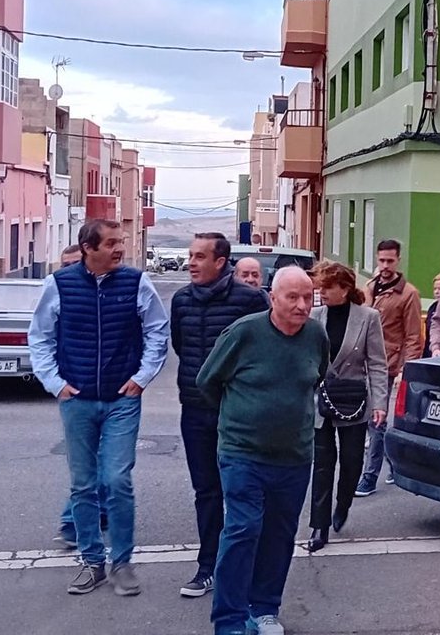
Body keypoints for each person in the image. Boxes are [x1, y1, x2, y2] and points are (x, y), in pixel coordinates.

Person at [29, 218, 170, 597]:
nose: (120, 249)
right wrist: (55, 383)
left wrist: (142, 377)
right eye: (111, 243)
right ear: (88, 248)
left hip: (122, 400)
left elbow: (157, 330)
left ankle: (122, 563)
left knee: (117, 481)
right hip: (76, 400)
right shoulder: (58, 285)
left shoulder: (137, 282)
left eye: (121, 242)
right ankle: (92, 562)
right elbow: (40, 336)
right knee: (83, 484)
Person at [198, 266, 329, 635]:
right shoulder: (244, 333)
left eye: (308, 297)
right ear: (273, 298)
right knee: (243, 530)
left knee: (279, 535)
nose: (302, 305)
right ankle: (230, 619)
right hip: (243, 453)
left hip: (295, 455)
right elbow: (207, 381)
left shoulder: (316, 335)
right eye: (292, 297)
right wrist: (241, 417)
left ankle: (264, 609)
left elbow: (317, 376)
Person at [171, 233, 271, 599]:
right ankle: (207, 566)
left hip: (238, 413)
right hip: (195, 409)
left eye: (200, 256)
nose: (192, 263)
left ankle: (249, 566)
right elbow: (180, 345)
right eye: (190, 255)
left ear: (220, 262)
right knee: (206, 491)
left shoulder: (250, 300)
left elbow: (262, 353)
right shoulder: (181, 300)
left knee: (243, 490)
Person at [303, 262, 389, 552]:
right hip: (321, 399)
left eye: (328, 287)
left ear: (345, 288)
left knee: (352, 462)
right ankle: (319, 525)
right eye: (321, 287)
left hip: (352, 400)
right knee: (322, 463)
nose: (322, 292)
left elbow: (377, 363)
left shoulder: (368, 317)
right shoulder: (314, 316)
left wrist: (380, 403)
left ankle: (343, 503)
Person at [357, 239, 423, 497]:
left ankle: (369, 476)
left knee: (377, 421)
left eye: (390, 261)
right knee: (366, 419)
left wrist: (406, 368)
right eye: (381, 260)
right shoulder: (370, 287)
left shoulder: (408, 294)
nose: (385, 265)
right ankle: (395, 465)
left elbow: (413, 335)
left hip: (388, 364)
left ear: (398, 261)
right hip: (365, 362)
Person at [54, 242, 106, 550]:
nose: (71, 271)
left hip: (111, 392)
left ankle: (79, 518)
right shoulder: (58, 295)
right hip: (74, 392)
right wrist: (56, 382)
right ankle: (80, 519)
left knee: (102, 461)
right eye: (65, 265)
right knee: (88, 462)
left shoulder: (106, 295)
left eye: (76, 264)